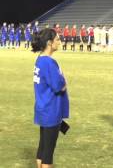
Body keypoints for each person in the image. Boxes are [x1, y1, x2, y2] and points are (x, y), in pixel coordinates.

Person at [31, 28, 69, 168]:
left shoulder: (40, 59)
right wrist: (64, 78)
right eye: (57, 39)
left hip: (43, 108)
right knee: (48, 154)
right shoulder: (49, 62)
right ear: (49, 43)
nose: (60, 42)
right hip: (51, 111)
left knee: (42, 149)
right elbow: (60, 86)